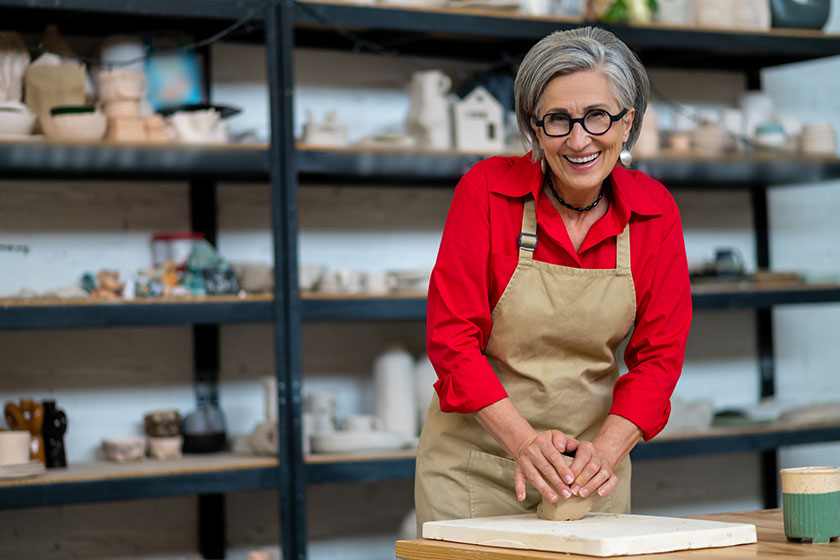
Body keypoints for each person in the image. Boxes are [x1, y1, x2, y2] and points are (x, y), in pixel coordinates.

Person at [415, 26, 692, 528]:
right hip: (476, 470)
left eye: (598, 117)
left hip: (590, 475)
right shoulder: (487, 191)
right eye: (558, 120)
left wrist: (606, 452)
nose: (579, 139)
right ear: (533, 128)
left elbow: (660, 357)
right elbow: (452, 339)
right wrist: (522, 441)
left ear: (627, 123)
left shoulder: (655, 211)